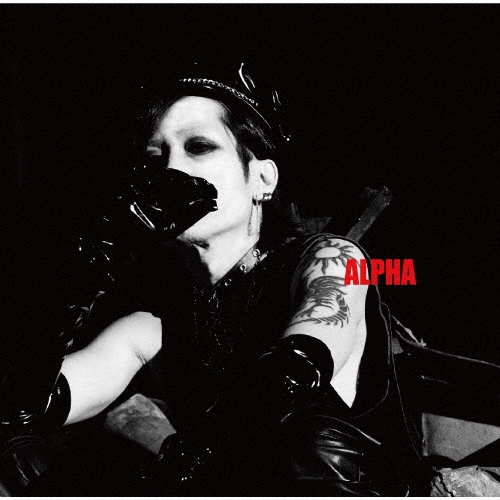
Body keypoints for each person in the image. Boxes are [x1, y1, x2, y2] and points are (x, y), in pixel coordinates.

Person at [0, 61, 420, 496]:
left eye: (198, 147)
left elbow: (297, 365)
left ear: (262, 178)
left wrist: (185, 463)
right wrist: (80, 275)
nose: (171, 168)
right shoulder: (153, 327)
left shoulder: (331, 257)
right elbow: (29, 406)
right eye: (154, 158)